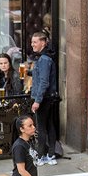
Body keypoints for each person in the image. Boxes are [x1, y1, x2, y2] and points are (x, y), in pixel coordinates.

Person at [28, 31, 61, 164]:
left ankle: (41, 156)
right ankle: (51, 154)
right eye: (32, 42)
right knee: (50, 125)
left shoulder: (44, 59)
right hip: (49, 97)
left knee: (41, 127)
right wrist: (30, 72)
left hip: (44, 98)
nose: (32, 45)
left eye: (35, 42)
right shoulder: (45, 58)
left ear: (43, 42)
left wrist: (37, 100)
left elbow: (44, 82)